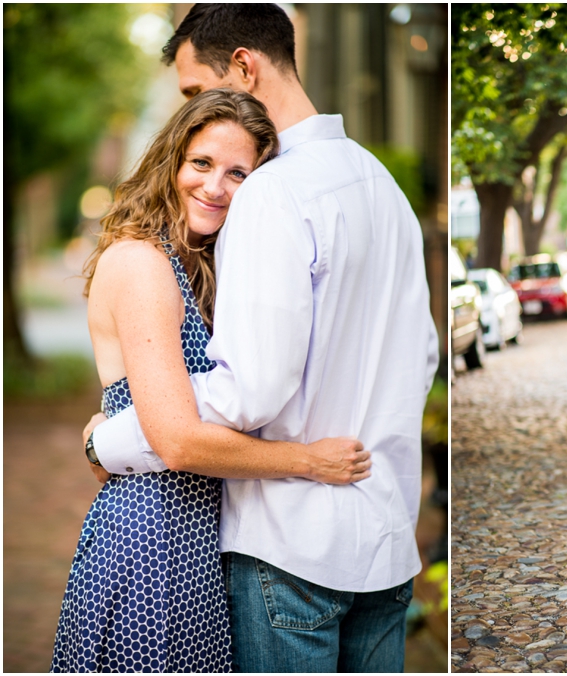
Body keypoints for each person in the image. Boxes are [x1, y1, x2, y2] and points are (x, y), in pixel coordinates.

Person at [84, 4, 439, 673]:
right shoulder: (383, 185)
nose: (192, 108)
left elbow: (252, 390)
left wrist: (109, 439)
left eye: (196, 91)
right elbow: (422, 354)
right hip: (385, 541)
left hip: (291, 547)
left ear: (243, 66)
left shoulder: (271, 193)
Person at [53, 88, 373, 673]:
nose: (216, 187)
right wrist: (307, 461)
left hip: (200, 540)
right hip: (151, 543)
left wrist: (103, 441)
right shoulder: (141, 263)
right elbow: (176, 441)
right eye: (201, 163)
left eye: (238, 174)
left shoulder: (202, 263)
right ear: (172, 160)